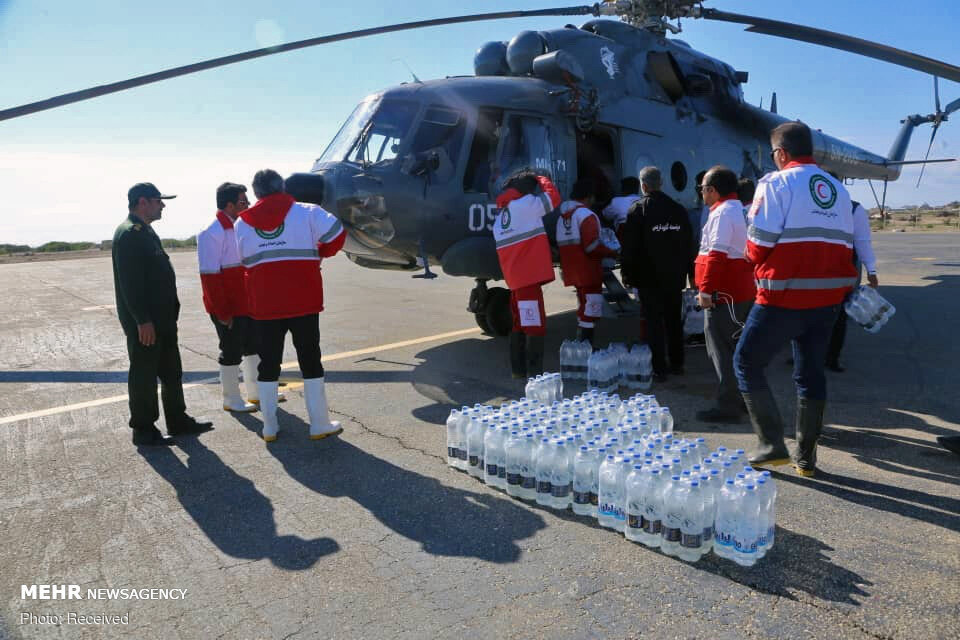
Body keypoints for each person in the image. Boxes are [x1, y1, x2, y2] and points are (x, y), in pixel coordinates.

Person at [734, 122, 858, 478]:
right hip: (827, 301)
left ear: (781, 154)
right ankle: (806, 458)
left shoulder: (775, 183)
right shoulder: (837, 189)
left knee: (746, 362)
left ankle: (771, 445)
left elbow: (758, 242)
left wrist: (749, 256)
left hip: (783, 298)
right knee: (810, 372)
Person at [234, 169, 346, 442]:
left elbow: (246, 261)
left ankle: (269, 426)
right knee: (310, 360)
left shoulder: (242, 223)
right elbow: (338, 234)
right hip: (303, 301)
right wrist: (319, 252)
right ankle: (319, 424)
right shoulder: (308, 211)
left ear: (256, 193)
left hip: (265, 304)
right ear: (282, 187)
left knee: (268, 363)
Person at [113, 183, 213, 447]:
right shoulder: (130, 234)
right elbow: (129, 283)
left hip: (163, 318)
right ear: (143, 202)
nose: (163, 205)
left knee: (172, 371)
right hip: (147, 322)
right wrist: (142, 320)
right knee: (144, 374)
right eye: (159, 200)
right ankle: (144, 429)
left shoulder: (145, 231)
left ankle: (177, 420)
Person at [198, 182, 273, 413]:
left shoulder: (242, 227)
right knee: (231, 351)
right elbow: (209, 277)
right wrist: (223, 312)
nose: (248, 205)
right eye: (243, 201)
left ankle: (256, 392)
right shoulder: (211, 233)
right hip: (229, 306)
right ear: (229, 205)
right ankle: (231, 398)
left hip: (247, 303)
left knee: (254, 346)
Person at [694, 166, 756, 423]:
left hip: (724, 294)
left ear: (712, 190)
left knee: (720, 349)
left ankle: (728, 405)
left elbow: (716, 255)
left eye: (703, 189)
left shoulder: (722, 213)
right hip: (737, 292)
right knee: (734, 348)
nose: (701, 193)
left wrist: (706, 290)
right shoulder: (735, 209)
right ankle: (741, 399)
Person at [620, 166, 694, 382]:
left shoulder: (638, 210)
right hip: (673, 277)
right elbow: (688, 244)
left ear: (643, 186)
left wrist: (626, 274)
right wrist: (691, 273)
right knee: (673, 319)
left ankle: (660, 369)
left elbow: (629, 247)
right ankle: (678, 364)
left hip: (648, 277)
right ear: (661, 183)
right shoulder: (678, 209)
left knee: (653, 322)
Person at [493, 169, 562, 379]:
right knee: (534, 324)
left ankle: (518, 370)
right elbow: (554, 198)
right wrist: (542, 179)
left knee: (519, 323)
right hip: (527, 278)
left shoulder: (502, 214)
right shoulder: (526, 205)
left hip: (515, 280)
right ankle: (535, 374)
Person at [556, 179, 618, 346]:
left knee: (583, 307)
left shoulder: (563, 217)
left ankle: (581, 345)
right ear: (589, 197)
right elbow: (592, 247)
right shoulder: (586, 215)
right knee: (591, 310)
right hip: (589, 272)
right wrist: (613, 252)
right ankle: (586, 347)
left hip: (572, 271)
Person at [825, 199, 880, 372]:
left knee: (825, 315)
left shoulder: (805, 202)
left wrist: (871, 269)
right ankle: (830, 358)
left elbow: (862, 241)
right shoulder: (853, 207)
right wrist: (871, 271)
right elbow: (863, 241)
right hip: (838, 271)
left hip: (833, 270)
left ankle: (825, 356)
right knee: (838, 315)